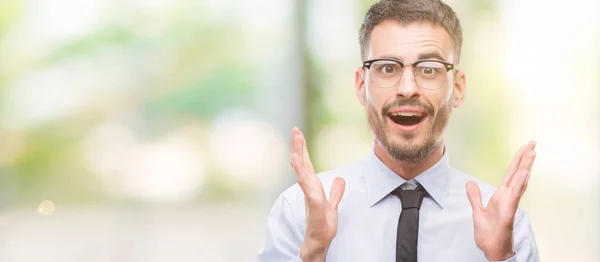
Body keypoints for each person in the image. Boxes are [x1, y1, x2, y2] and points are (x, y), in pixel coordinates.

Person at [257, 0, 539, 261]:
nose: (407, 89)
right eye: (387, 68)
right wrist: (314, 252)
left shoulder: (508, 225)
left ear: (459, 88)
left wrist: (501, 258)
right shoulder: (297, 213)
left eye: (429, 69)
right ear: (360, 86)